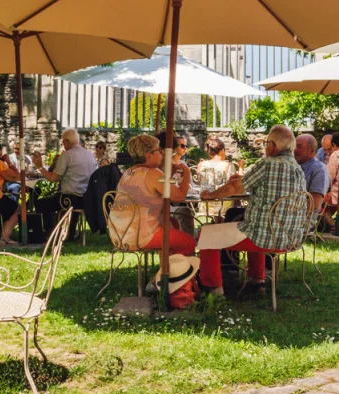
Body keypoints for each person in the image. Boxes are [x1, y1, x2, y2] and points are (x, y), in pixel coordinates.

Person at [197, 125, 305, 296]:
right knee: (256, 223)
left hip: (263, 237)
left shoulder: (267, 163)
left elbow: (235, 188)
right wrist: (243, 179)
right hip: (289, 236)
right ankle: (257, 281)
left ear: (273, 145)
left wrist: (211, 195)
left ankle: (213, 289)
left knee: (206, 233)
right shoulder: (297, 167)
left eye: (267, 143)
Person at [109, 133, 194, 261]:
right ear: (148, 155)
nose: (162, 153)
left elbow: (159, 188)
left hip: (119, 235)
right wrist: (187, 172)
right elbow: (180, 196)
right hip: (140, 236)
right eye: (159, 150)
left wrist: (170, 173)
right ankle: (175, 277)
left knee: (173, 224)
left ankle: (168, 271)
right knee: (189, 243)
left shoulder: (129, 172)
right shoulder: (153, 173)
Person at [32, 128, 98, 239]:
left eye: (63, 142)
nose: (63, 145)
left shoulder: (67, 155)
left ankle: (50, 233)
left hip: (69, 199)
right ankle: (69, 233)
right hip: (86, 199)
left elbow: (52, 179)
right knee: (57, 200)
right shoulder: (90, 155)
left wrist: (40, 167)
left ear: (67, 142)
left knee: (41, 203)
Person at [294, 133, 331, 221]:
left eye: (299, 147)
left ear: (311, 151)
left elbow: (314, 203)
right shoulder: (293, 166)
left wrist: (287, 208)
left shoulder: (319, 169)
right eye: (294, 146)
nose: (295, 150)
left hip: (301, 220)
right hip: (286, 215)